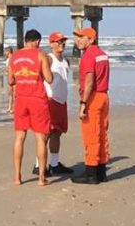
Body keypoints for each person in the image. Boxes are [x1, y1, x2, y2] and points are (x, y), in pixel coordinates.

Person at [8, 29, 54, 186]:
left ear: (25, 40)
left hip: (21, 98)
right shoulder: (40, 54)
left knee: (19, 137)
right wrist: (49, 64)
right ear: (38, 41)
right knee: (40, 138)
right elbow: (49, 79)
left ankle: (17, 177)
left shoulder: (14, 56)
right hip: (37, 98)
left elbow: (10, 81)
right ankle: (41, 178)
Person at [71, 27, 111, 184]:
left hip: (93, 97)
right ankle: (101, 171)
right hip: (104, 96)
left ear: (91, 39)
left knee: (91, 135)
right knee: (101, 134)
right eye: (78, 37)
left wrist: (83, 103)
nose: (78, 40)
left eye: (82, 37)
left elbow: (89, 81)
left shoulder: (89, 56)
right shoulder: (102, 54)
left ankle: (91, 172)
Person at [34, 32, 73, 176]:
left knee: (57, 132)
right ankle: (39, 165)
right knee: (46, 134)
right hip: (50, 100)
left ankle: (55, 164)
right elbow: (38, 76)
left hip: (61, 101)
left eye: (63, 41)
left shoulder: (66, 60)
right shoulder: (48, 59)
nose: (61, 43)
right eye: (57, 41)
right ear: (51, 44)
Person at [4, 47, 16, 114]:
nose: (4, 53)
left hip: (13, 77)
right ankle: (10, 107)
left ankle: (14, 108)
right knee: (10, 93)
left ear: (8, 51)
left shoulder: (12, 58)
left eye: (5, 51)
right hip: (9, 76)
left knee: (14, 93)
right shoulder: (8, 59)